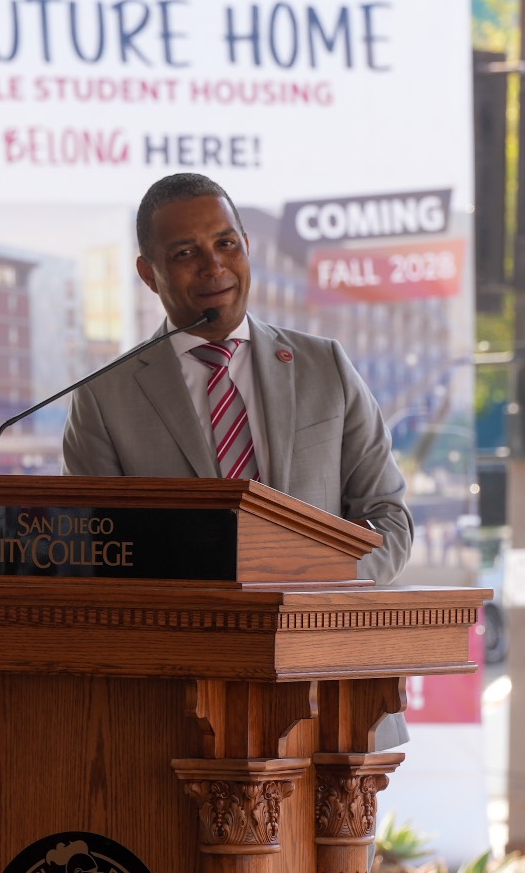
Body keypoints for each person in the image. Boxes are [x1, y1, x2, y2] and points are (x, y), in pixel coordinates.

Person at [62, 173, 415, 746]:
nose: (213, 266)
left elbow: (389, 521)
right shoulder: (105, 397)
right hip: (173, 714)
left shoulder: (325, 366)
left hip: (333, 704)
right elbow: (95, 559)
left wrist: (310, 590)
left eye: (226, 243)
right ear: (149, 273)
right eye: (185, 253)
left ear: (248, 247)